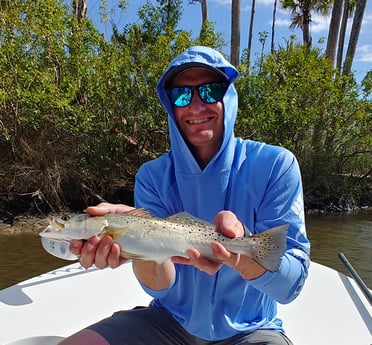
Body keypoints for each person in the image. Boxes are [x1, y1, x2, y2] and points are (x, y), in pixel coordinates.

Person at [60, 46, 310, 345]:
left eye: (209, 91)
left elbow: (289, 287)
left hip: (252, 331)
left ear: (227, 96)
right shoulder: (152, 176)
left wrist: (241, 251)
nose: (195, 106)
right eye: (181, 95)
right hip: (167, 324)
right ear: (171, 106)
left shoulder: (275, 165)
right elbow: (159, 286)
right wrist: (135, 243)